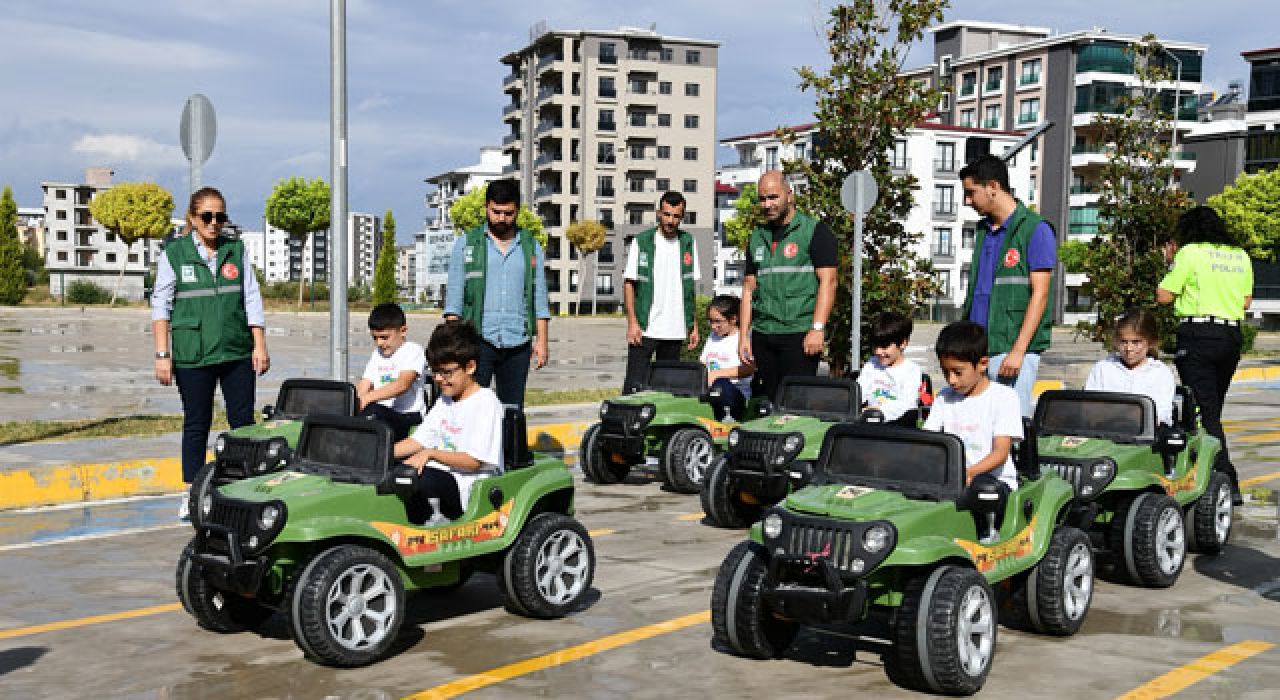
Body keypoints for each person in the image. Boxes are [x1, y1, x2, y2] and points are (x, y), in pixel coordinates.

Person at [151, 186, 269, 519]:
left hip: (236, 351)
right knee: (196, 423)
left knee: (243, 424)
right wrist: (163, 354)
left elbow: (251, 298)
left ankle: (243, 487)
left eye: (220, 217)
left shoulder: (236, 250)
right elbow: (161, 305)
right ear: (193, 218)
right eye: (207, 216)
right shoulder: (174, 254)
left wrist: (259, 344)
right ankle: (191, 491)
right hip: (193, 355)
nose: (214, 223)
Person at [1157, 205, 1253, 504]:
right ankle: (1211, 474)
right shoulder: (1240, 255)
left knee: (1203, 412)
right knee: (1212, 409)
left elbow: (1164, 296)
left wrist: (1170, 262)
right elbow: (1246, 302)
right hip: (1230, 336)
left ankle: (1225, 479)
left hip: (1199, 335)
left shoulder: (1190, 253)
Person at [958, 154, 1056, 418]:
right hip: (980, 350)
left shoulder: (1036, 230)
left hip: (1011, 353)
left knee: (1009, 428)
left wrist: (1018, 351)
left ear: (993, 187)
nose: (967, 201)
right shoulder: (982, 230)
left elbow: (1041, 294)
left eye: (971, 193)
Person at [444, 178, 550, 407]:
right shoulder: (467, 243)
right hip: (477, 341)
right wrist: (453, 344)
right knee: (471, 407)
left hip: (518, 344)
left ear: (517, 210)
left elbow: (539, 296)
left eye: (508, 213)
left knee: (511, 412)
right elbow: (454, 299)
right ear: (486, 207)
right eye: (496, 212)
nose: (501, 218)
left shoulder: (531, 246)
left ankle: (509, 445)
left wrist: (542, 341)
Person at [738, 171, 838, 402]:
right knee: (771, 402)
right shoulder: (756, 237)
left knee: (796, 403)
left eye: (773, 197)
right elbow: (748, 289)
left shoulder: (814, 231)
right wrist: (744, 336)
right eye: (762, 199)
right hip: (764, 335)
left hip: (799, 334)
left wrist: (817, 328)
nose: (767, 204)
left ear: (789, 196)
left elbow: (829, 282)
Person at [393, 320, 504, 523]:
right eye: (435, 372)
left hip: (468, 485)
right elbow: (419, 441)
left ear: (470, 366)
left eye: (446, 372)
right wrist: (381, 453)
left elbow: (473, 461)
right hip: (442, 475)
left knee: (415, 479)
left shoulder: (486, 402)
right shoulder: (445, 401)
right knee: (392, 470)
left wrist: (430, 454)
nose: (439, 379)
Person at [924, 320, 1023, 499]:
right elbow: (928, 441)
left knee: (981, 493)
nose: (951, 380)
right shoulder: (943, 397)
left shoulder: (1004, 398)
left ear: (983, 364)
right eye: (945, 372)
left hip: (993, 482)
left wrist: (969, 473)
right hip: (952, 481)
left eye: (958, 372)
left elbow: (1000, 452)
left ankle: (989, 528)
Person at [622, 191, 701, 393]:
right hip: (645, 328)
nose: (671, 221)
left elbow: (690, 287)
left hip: (675, 330)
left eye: (676, 216)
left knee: (666, 390)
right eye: (667, 214)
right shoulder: (642, 242)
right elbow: (629, 284)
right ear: (659, 213)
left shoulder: (688, 243)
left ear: (682, 217)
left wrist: (694, 325)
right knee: (634, 387)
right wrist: (632, 322)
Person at [1085, 307, 1176, 426]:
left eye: (1136, 342)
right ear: (1116, 341)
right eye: (1124, 342)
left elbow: (1161, 415)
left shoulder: (1160, 373)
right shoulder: (1103, 369)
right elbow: (1090, 409)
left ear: (1150, 343)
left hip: (1145, 439)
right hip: (1105, 433)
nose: (1129, 349)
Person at [356, 302, 427, 441]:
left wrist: (368, 398)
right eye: (375, 338)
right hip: (381, 411)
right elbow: (365, 383)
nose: (379, 343)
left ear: (403, 331)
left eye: (384, 337)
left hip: (408, 414)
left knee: (373, 414)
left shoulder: (413, 351)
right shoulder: (377, 354)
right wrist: (356, 401)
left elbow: (402, 384)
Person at [857, 312, 924, 426]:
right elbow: (860, 391)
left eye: (884, 347)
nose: (878, 352)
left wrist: (878, 411)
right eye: (875, 346)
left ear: (903, 343)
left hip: (898, 427)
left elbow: (907, 404)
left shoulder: (911, 371)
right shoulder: (872, 364)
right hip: (870, 423)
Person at [699, 294, 754, 420]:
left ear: (733, 319)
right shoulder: (713, 336)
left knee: (721, 384)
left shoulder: (744, 338)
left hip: (735, 393)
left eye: (718, 321)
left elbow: (749, 368)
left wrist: (716, 374)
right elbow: (702, 363)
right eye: (710, 321)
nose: (713, 326)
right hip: (709, 389)